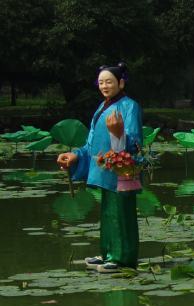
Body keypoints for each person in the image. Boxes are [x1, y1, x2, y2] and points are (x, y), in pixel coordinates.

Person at [56, 62, 143, 273]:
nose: (105, 85)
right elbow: (91, 144)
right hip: (105, 169)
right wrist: (75, 155)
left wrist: (118, 132)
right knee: (108, 213)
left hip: (121, 170)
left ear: (121, 83)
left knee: (122, 213)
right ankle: (107, 253)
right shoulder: (101, 107)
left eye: (109, 82)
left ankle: (123, 258)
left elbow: (134, 143)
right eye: (101, 82)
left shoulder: (130, 106)